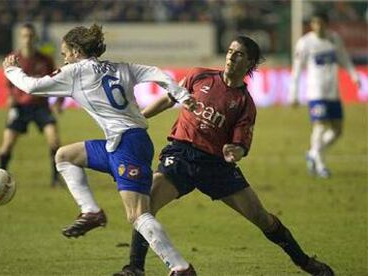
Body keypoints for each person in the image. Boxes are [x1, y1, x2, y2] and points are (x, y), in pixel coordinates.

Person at [114, 36, 334, 276]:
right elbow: (169, 99)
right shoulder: (200, 76)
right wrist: (139, 119)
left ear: (249, 62)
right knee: (144, 207)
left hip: (216, 166)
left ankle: (304, 262)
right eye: (230, 51)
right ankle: (134, 268)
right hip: (181, 155)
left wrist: (234, 152)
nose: (231, 56)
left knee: (262, 218)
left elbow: (241, 143)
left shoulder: (244, 103)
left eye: (238, 54)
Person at [2, 23, 197, 275]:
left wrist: (11, 69)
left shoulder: (74, 72)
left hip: (127, 145)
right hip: (120, 143)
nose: (64, 58)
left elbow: (31, 86)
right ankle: (91, 212)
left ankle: (180, 268)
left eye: (64, 53)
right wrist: (181, 94)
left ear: (74, 51)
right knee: (65, 156)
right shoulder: (120, 67)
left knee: (138, 215)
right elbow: (156, 72)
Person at [289, 11, 360, 178]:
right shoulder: (305, 43)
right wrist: (294, 94)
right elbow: (297, 69)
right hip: (316, 92)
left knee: (337, 131)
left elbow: (344, 58)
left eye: (321, 23)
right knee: (320, 126)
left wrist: (354, 76)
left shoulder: (334, 39)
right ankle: (320, 165)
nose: (318, 26)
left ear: (326, 24)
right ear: (312, 25)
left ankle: (313, 153)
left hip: (333, 91)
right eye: (315, 23)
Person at [0, 23, 64, 187]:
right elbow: (8, 84)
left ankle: (55, 179)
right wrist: (10, 97)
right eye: (24, 36)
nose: (27, 39)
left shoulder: (45, 60)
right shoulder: (13, 59)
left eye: (30, 36)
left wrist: (59, 101)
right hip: (20, 107)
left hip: (41, 106)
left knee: (54, 140)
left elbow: (59, 81)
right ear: (20, 38)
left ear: (35, 38)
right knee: (6, 146)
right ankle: (0, 180)